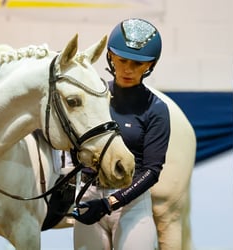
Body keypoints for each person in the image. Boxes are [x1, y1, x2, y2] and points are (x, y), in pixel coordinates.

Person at [72, 18, 171, 250]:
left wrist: (110, 203)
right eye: (122, 60)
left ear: (150, 65)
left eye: (137, 63)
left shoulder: (156, 109)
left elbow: (152, 170)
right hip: (89, 195)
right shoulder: (93, 100)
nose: (127, 69)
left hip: (132, 203)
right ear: (110, 56)